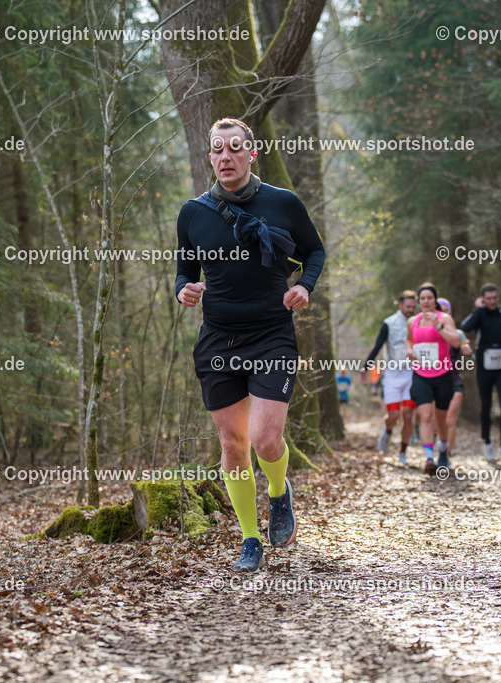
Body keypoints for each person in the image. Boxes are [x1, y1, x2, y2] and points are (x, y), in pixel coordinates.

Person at [176, 118, 325, 572]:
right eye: (217, 149)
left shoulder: (282, 202)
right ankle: (249, 539)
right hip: (218, 337)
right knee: (233, 444)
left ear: (250, 153)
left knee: (264, 439)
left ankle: (279, 494)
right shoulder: (193, 212)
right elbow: (186, 270)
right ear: (210, 157)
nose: (225, 157)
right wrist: (184, 290)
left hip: (271, 334)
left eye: (234, 149)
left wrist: (305, 286)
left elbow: (314, 251)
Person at [407, 283, 462, 474]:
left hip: (442, 374)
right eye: (422, 299)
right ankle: (429, 459)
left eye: (429, 298)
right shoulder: (413, 321)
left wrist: (438, 327)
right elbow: (409, 341)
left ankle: (444, 448)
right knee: (426, 416)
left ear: (435, 300)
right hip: (421, 374)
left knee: (441, 419)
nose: (426, 301)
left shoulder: (444, 318)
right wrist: (409, 351)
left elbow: (456, 341)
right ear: (418, 301)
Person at [460, 283, 501, 462]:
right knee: (486, 405)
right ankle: (487, 443)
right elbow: (465, 326)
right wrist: (477, 309)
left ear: (498, 298)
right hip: (484, 368)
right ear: (483, 300)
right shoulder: (480, 315)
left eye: (495, 298)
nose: (492, 301)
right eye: (489, 299)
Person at [362, 291, 418, 464]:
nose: (410, 310)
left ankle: (403, 451)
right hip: (392, 375)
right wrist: (365, 367)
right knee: (393, 416)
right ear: (400, 305)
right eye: (407, 307)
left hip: (411, 374)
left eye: (412, 307)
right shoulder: (389, 323)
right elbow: (378, 346)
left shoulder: (417, 322)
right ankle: (387, 431)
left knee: (408, 415)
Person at [437, 298, 473, 458]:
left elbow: (470, 361)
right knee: (434, 421)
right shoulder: (428, 332)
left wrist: (468, 354)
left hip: (454, 380)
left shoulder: (458, 334)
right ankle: (436, 451)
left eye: (447, 310)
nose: (444, 312)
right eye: (440, 309)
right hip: (435, 381)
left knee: (450, 419)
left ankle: (447, 455)